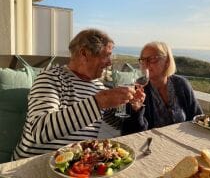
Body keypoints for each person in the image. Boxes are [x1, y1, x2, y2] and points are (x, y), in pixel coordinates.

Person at [13, 29, 144, 160]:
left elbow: (118, 123)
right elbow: (40, 131)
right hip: (32, 165)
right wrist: (99, 102)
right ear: (84, 53)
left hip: (75, 168)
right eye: (106, 55)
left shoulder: (98, 87)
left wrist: (134, 109)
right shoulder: (51, 78)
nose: (110, 63)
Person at [122, 41, 203, 135]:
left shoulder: (181, 84)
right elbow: (129, 133)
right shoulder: (136, 89)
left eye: (152, 59)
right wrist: (136, 111)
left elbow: (198, 119)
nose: (146, 64)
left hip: (183, 142)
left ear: (167, 61)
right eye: (143, 59)